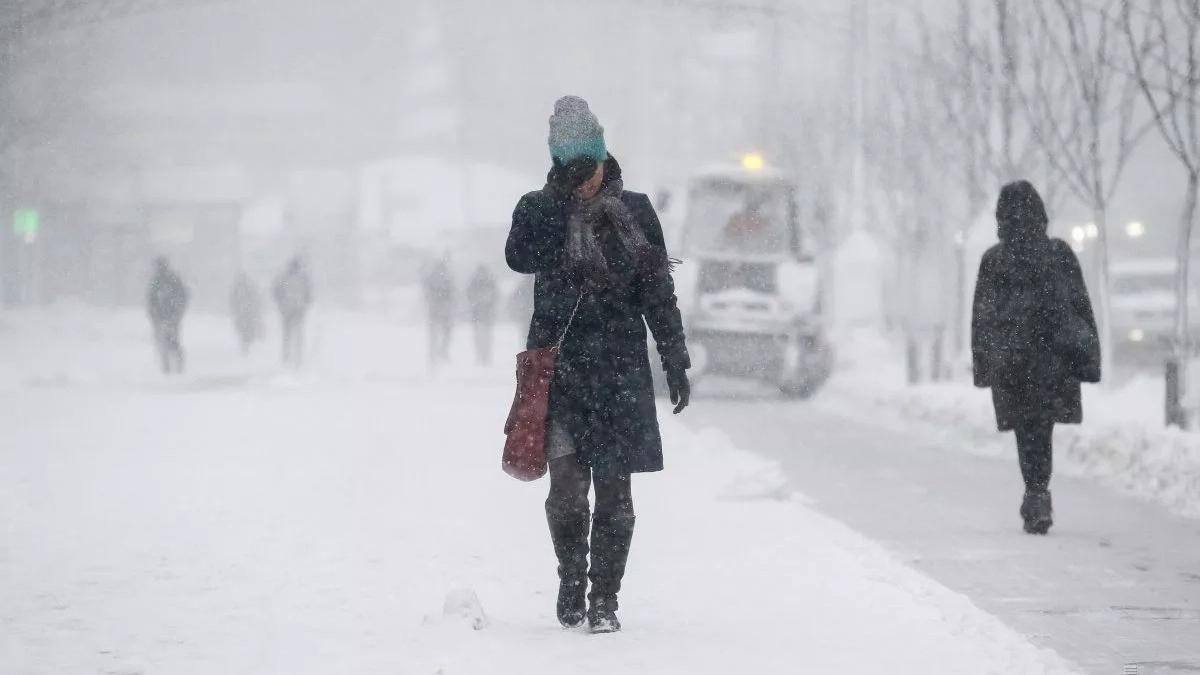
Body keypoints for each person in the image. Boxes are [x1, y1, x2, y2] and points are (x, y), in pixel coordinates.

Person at [506, 95, 691, 633]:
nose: (581, 181)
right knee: (566, 487)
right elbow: (519, 257)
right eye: (570, 171)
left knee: (616, 493)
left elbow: (658, 290)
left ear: (603, 160)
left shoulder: (634, 212)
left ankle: (606, 598)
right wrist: (555, 201)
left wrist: (674, 357)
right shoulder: (539, 210)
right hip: (563, 369)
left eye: (587, 169)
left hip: (619, 370)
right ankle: (572, 574)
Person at [971, 180, 1100, 535]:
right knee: (1040, 428)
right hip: (1051, 361)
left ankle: (1036, 493)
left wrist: (984, 365)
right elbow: (1080, 307)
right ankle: (1038, 493)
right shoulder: (1058, 253)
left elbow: (982, 317)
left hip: (1013, 363)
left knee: (1029, 431)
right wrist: (1087, 357)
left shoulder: (995, 260)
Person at [146, 256, 189, 374]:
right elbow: (151, 300)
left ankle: (172, 366)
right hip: (166, 317)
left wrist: (177, 312)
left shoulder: (163, 280)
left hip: (168, 316)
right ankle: (170, 366)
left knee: (169, 341)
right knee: (167, 341)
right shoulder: (162, 280)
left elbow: (151, 300)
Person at [273, 257, 313, 368]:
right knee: (297, 334)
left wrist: (281, 304)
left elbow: (276, 292)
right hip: (297, 309)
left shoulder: (283, 278)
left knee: (288, 334)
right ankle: (297, 357)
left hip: (288, 309)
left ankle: (288, 356)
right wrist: (305, 304)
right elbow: (309, 294)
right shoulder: (303, 278)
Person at [421, 256, 456, 366]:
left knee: (435, 333)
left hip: (435, 309)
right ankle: (441, 351)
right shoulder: (447, 278)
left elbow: (427, 294)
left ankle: (434, 352)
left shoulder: (432, 278)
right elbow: (452, 293)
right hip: (443, 309)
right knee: (445, 331)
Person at [466, 264, 499, 366]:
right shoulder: (488, 282)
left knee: (482, 336)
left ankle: (483, 355)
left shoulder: (476, 282)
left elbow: (469, 294)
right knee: (484, 336)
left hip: (480, 314)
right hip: (483, 314)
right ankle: (483, 355)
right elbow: (496, 295)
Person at [230, 273, 263, 355]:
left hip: (244, 312)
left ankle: (246, 342)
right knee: (245, 328)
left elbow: (233, 300)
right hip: (245, 312)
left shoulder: (238, 289)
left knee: (244, 328)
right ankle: (246, 342)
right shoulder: (246, 288)